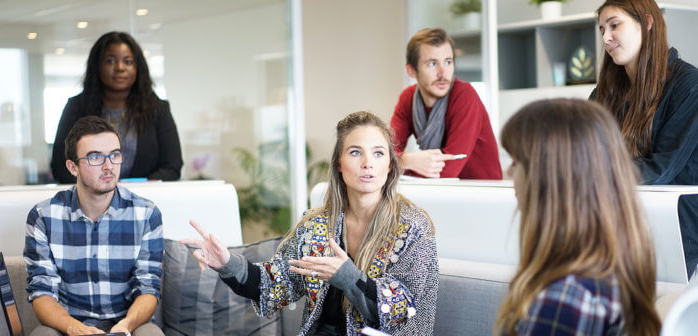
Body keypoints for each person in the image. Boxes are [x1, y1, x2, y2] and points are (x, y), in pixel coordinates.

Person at [181, 111, 438, 335]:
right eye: (355, 152)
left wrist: (348, 278)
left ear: (390, 165)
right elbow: (275, 284)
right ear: (339, 163)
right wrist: (228, 264)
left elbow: (404, 310)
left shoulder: (414, 226)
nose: (367, 163)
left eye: (378, 153)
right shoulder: (316, 225)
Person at [496, 99, 661, 335]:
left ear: (549, 178)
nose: (509, 173)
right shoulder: (609, 273)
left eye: (516, 162)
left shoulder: (565, 300)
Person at [25, 116, 164, 335]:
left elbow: (148, 287)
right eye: (96, 157)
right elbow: (42, 294)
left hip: (127, 324)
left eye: (115, 155)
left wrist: (125, 327)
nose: (109, 166)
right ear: (73, 167)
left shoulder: (146, 214)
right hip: (68, 325)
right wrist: (77, 329)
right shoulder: (43, 216)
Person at [591, 0, 698, 276]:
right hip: (615, 222)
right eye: (602, 28)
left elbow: (662, 169)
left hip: (673, 229)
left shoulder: (688, 85)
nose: (606, 37)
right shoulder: (603, 94)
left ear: (647, 23)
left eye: (615, 25)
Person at [51, 31, 183, 184]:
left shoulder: (158, 109)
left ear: (138, 68)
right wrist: (100, 188)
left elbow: (172, 167)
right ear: (97, 65)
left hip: (144, 201)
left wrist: (133, 189)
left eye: (128, 62)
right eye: (110, 61)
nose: (120, 68)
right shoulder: (76, 108)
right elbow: (60, 168)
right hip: (90, 202)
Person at [390, 27, 502, 179]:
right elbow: (384, 155)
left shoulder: (464, 95)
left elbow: (448, 171)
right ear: (412, 71)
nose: (443, 73)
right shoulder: (408, 98)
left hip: (481, 194)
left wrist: (400, 163)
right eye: (432, 64)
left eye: (448, 62)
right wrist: (407, 160)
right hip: (441, 192)